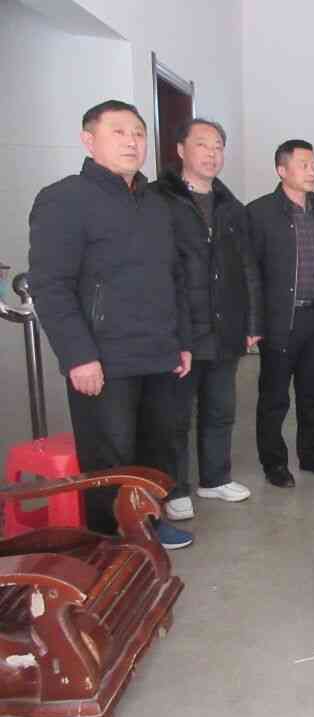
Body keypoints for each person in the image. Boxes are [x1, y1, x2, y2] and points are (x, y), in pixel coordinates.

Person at [28, 99, 194, 549]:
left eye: (138, 133)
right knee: (109, 455)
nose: (132, 141)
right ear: (89, 140)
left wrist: (181, 340)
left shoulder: (155, 203)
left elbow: (173, 277)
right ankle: (108, 540)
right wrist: (78, 356)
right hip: (104, 357)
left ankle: (148, 523)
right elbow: (51, 285)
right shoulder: (64, 199)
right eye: (118, 131)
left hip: (158, 350)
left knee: (157, 448)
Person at [153, 118, 261, 520]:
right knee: (175, 416)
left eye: (218, 146)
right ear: (181, 150)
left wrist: (253, 322)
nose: (212, 154)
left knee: (220, 408)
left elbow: (248, 266)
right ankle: (173, 487)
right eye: (203, 145)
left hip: (225, 325)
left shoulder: (231, 206)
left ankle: (215, 478)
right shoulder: (159, 200)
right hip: (182, 327)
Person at [248, 139, 314, 488]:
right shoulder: (260, 213)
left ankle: (312, 455)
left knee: (312, 393)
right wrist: (254, 323)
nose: (311, 170)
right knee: (274, 397)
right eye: (303, 165)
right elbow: (251, 274)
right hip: (281, 319)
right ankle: (274, 463)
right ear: (281, 170)